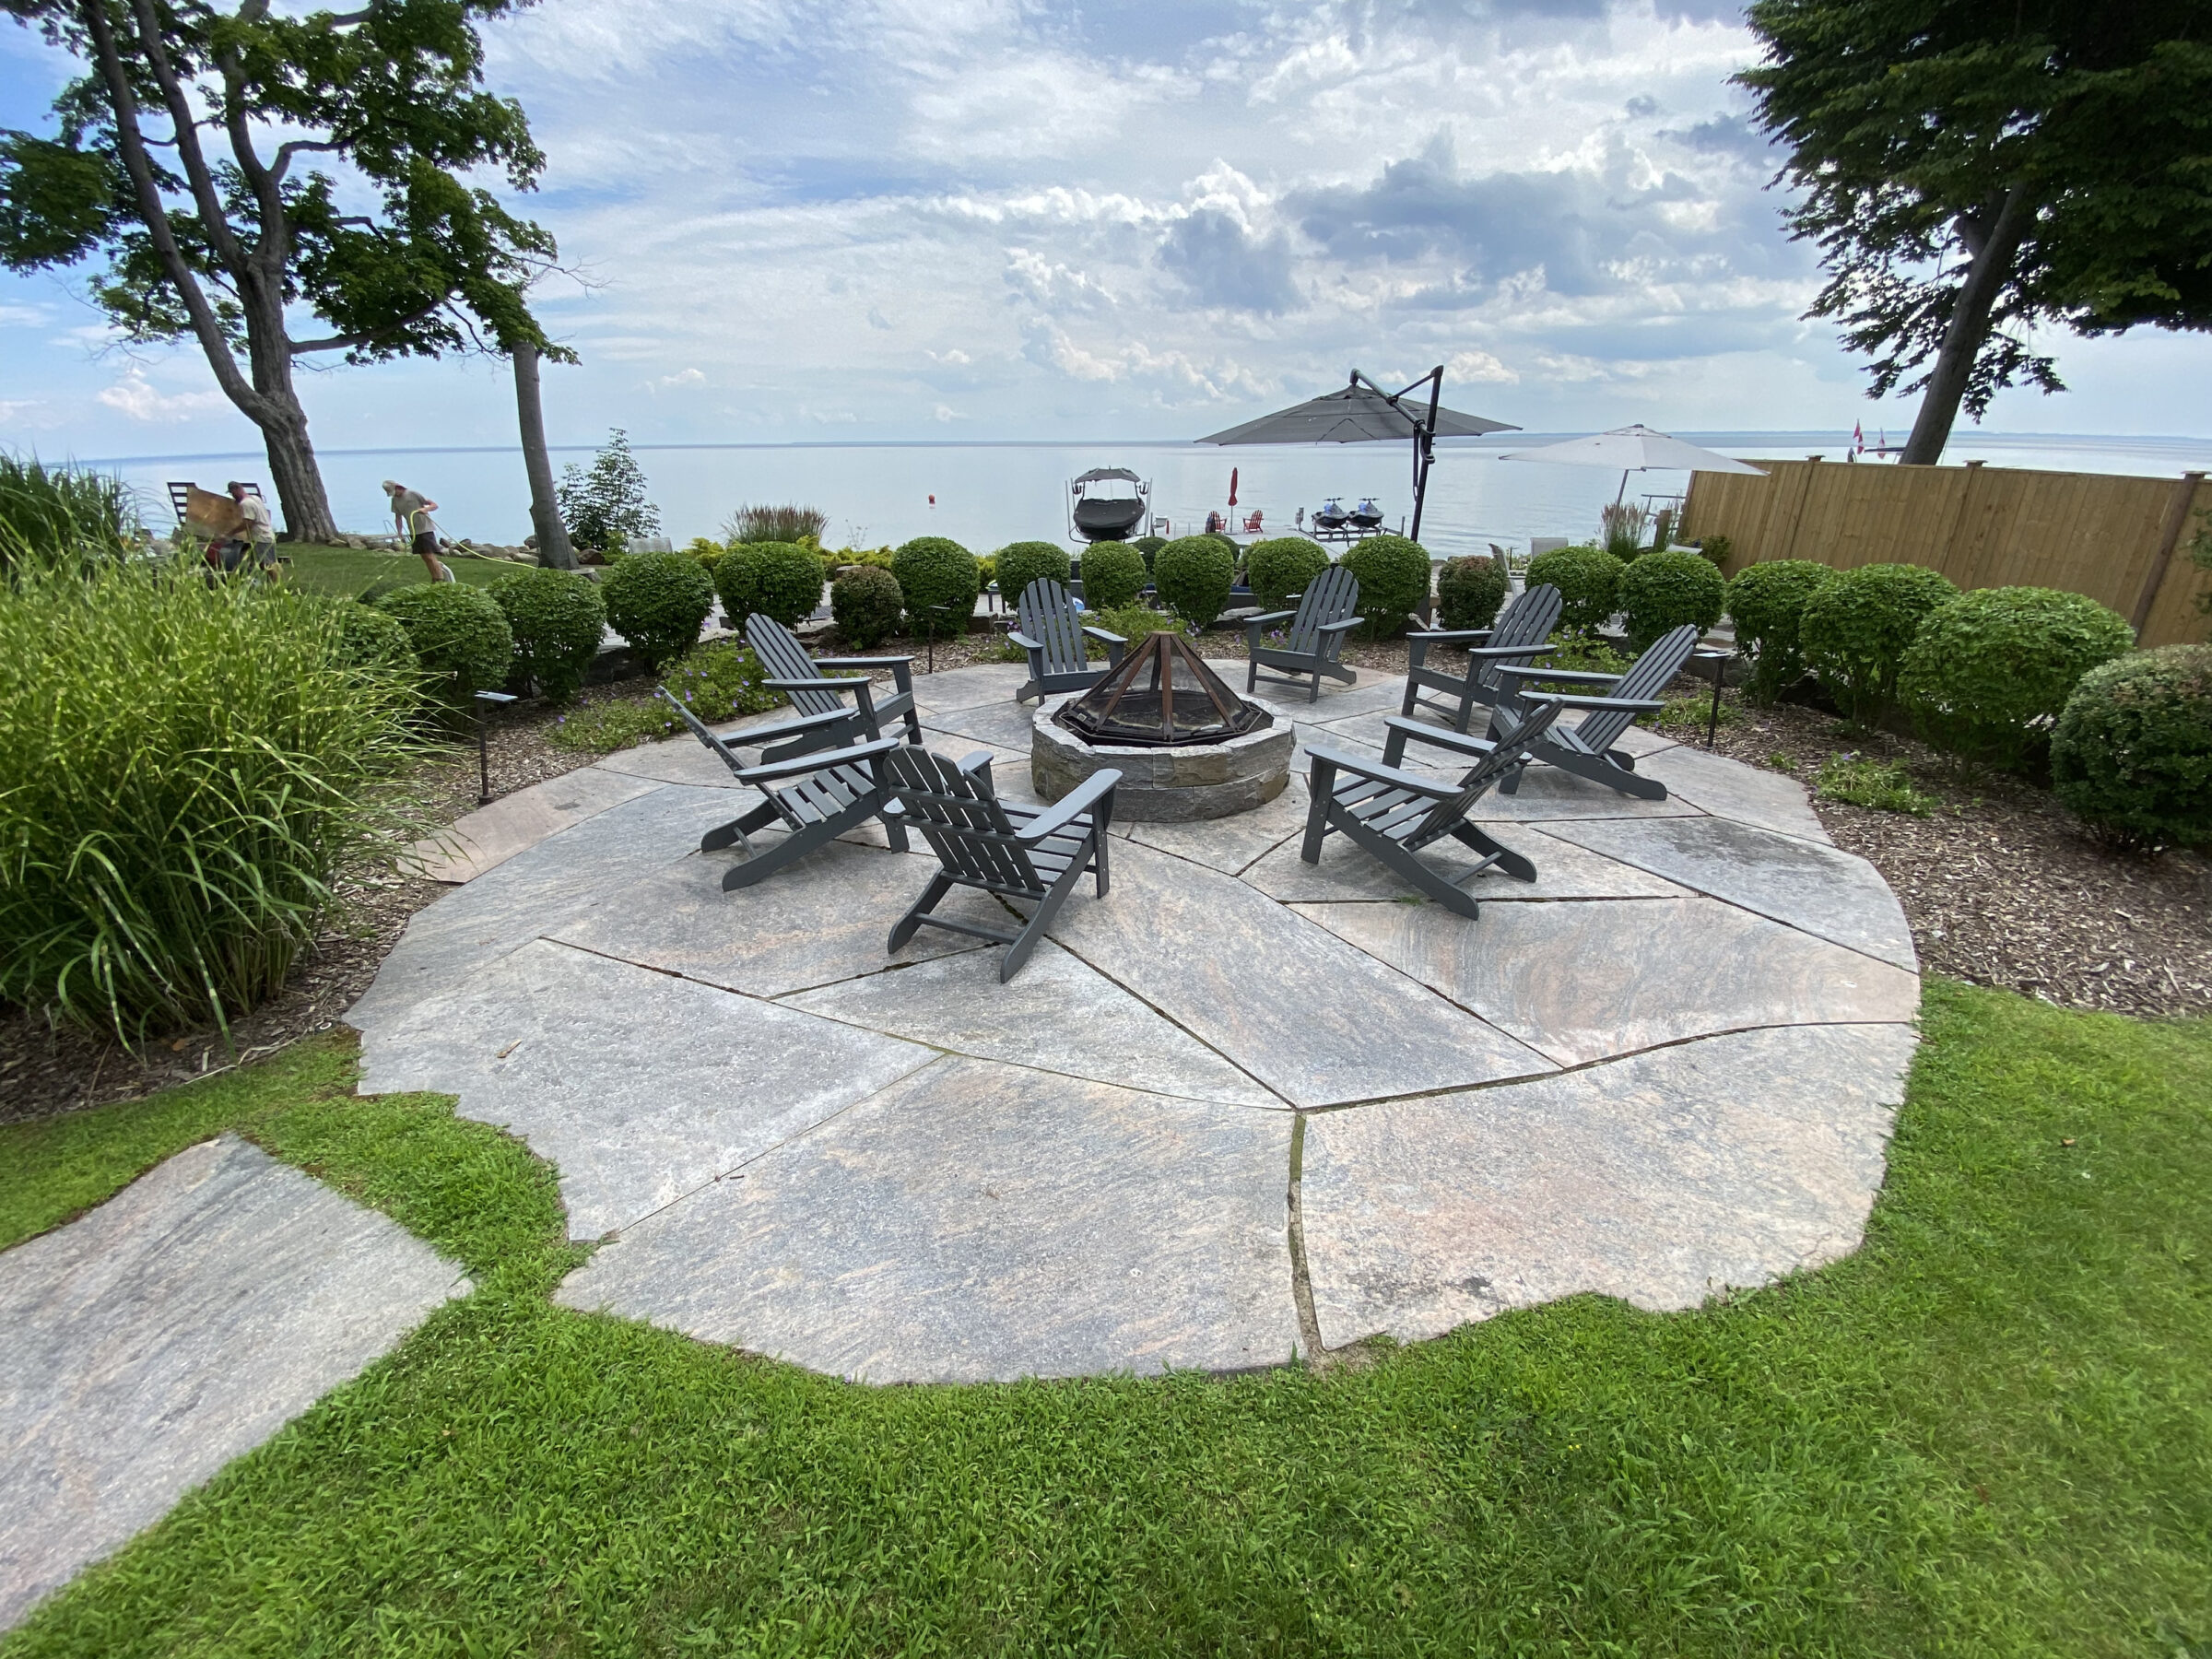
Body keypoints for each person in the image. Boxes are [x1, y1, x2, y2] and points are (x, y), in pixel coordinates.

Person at [383, 479, 453, 582]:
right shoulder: (395, 500)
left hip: (425, 529)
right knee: (424, 557)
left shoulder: (412, 494)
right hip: (413, 531)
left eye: (394, 492)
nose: (394, 495)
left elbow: (434, 505)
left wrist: (426, 509)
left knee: (429, 555)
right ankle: (435, 578)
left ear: (398, 487)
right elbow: (398, 517)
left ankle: (439, 579)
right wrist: (400, 533)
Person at [227, 481, 279, 580]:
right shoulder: (255, 498)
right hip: (267, 534)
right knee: (259, 562)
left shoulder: (245, 504)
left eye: (232, 493)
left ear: (236, 490)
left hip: (261, 537)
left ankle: (276, 585)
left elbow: (248, 523)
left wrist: (231, 533)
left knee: (266, 564)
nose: (232, 496)